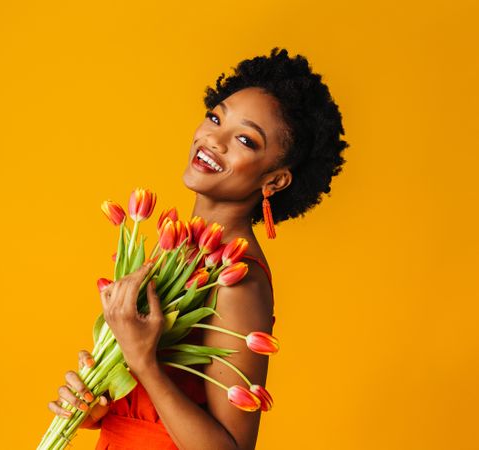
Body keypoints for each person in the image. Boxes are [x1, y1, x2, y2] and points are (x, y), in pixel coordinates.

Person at [47, 47, 349, 449]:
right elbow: (156, 412)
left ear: (274, 181)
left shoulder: (239, 278)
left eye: (244, 139)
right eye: (215, 117)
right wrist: (101, 401)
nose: (213, 140)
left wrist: (143, 362)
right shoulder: (177, 250)